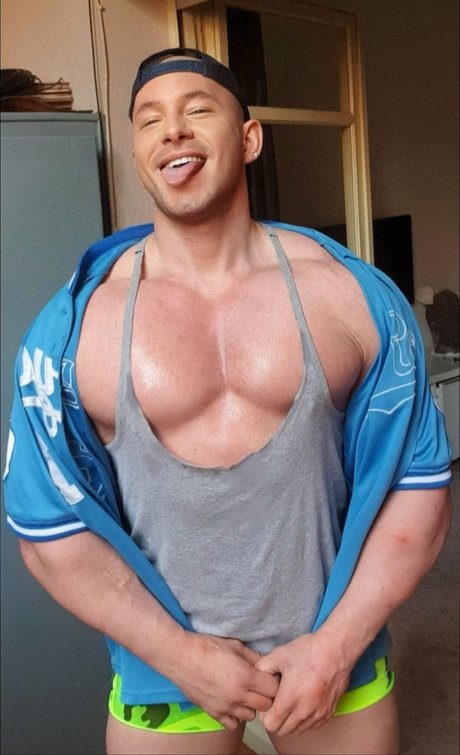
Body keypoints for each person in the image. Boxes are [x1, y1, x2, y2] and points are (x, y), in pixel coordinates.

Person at [3, 48, 452, 755]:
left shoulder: (353, 297)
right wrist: (181, 656)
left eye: (197, 109)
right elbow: (46, 527)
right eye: (149, 120)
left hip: (335, 655)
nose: (172, 131)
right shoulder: (73, 329)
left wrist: (336, 645)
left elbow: (417, 488)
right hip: (164, 672)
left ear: (249, 139)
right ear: (138, 154)